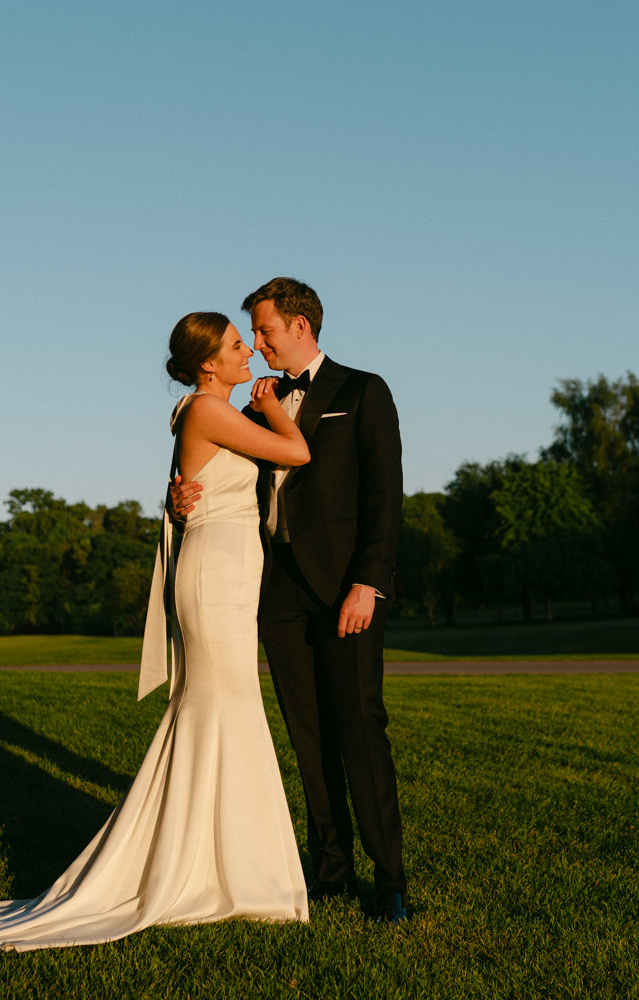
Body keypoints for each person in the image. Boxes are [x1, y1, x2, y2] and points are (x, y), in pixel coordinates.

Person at [0, 312, 311, 961]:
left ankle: (223, 863)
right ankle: (222, 872)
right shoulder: (209, 409)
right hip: (215, 570)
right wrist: (274, 406)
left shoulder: (211, 413)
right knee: (220, 708)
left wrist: (183, 493)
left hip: (227, 565)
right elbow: (297, 452)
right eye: (234, 345)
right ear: (206, 365)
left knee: (225, 709)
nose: (248, 350)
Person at [171, 277, 408, 924]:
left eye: (265, 330)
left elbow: (385, 495)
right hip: (276, 594)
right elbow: (210, 466)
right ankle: (329, 870)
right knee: (308, 739)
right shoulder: (250, 409)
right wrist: (176, 495)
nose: (256, 342)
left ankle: (390, 880)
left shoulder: (362, 391)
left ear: (300, 326)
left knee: (359, 730)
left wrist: (369, 580)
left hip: (345, 590)